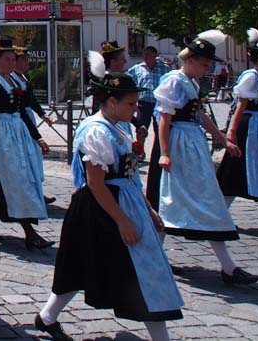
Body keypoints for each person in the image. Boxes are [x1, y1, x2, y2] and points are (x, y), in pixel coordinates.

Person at [36, 51, 183, 341]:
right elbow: (95, 183)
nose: (135, 108)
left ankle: (47, 316)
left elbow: (128, 176)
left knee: (141, 269)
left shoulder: (119, 127)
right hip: (98, 207)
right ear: (112, 101)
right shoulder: (96, 131)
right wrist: (123, 221)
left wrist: (147, 209)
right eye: (131, 103)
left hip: (123, 202)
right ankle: (47, 316)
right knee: (82, 266)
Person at [155, 29, 258, 285]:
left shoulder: (191, 83)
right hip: (180, 144)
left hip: (192, 145)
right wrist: (165, 153)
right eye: (204, 64)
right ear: (190, 59)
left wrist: (224, 139)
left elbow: (201, 115)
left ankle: (228, 267)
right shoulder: (174, 80)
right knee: (180, 202)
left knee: (199, 201)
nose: (206, 69)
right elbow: (164, 119)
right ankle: (156, 258)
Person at [0, 37, 53, 249]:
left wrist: (38, 137)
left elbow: (22, 112)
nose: (11, 63)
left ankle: (27, 230)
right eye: (7, 59)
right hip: (0, 138)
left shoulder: (16, 83)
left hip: (17, 136)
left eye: (12, 59)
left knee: (20, 180)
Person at [217, 29, 258, 207]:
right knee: (234, 166)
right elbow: (241, 105)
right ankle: (222, 210)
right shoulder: (251, 77)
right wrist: (232, 131)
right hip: (250, 126)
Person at [12, 47, 55, 205]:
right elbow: (20, 106)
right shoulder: (12, 80)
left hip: (29, 117)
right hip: (21, 122)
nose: (26, 63)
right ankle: (27, 192)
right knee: (26, 156)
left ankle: (37, 190)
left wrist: (43, 115)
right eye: (22, 60)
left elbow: (33, 100)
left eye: (26, 60)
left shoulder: (23, 78)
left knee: (33, 156)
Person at [127, 47, 171, 151]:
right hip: (143, 103)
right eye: (144, 54)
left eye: (149, 54)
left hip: (159, 104)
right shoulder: (137, 68)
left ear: (155, 55)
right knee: (141, 129)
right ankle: (140, 150)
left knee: (159, 128)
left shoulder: (165, 69)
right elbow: (128, 81)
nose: (146, 57)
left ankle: (159, 151)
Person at [91, 40, 127, 114]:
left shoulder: (116, 77)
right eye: (122, 59)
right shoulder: (105, 79)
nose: (125, 61)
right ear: (113, 61)